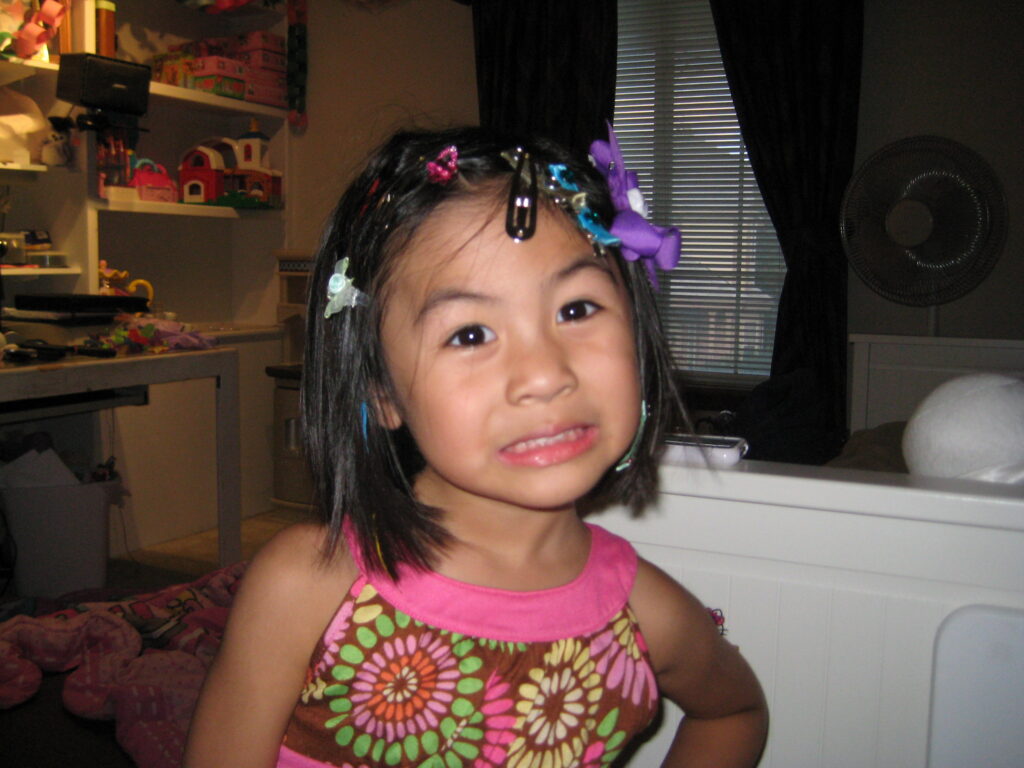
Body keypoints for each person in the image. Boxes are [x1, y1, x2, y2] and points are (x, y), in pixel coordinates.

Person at [184, 126, 768, 768]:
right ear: (382, 391)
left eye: (576, 310)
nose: (544, 374)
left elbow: (734, 712)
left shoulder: (647, 615)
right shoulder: (310, 587)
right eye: (469, 335)